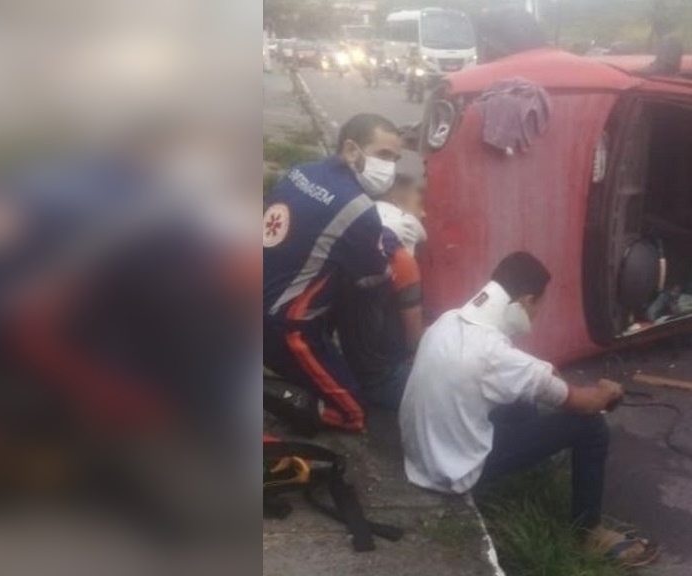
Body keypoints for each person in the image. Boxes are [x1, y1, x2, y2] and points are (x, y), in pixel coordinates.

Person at [399, 252, 659, 566]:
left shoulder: (447, 321)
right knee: (589, 427)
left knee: (525, 399)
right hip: (452, 473)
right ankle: (590, 533)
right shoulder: (495, 354)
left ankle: (537, 471)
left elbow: (522, 376)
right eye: (539, 304)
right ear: (525, 301)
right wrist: (606, 392)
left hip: (420, 457)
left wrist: (544, 377)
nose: (538, 314)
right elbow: (585, 403)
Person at [264, 113, 402, 433]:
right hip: (285, 327)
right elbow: (374, 273)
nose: (390, 167)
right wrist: (385, 245)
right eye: (383, 155)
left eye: (395, 159)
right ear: (352, 151)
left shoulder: (300, 171)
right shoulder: (357, 208)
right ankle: (266, 395)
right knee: (353, 414)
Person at [335, 151, 428, 411]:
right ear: (398, 194)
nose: (425, 209)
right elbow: (414, 342)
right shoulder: (401, 257)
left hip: (348, 357)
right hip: (381, 377)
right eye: (421, 196)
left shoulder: (357, 226)